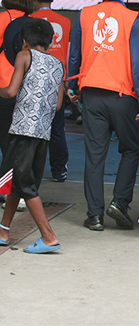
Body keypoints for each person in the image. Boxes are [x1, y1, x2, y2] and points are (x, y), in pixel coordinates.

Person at [67, 0, 139, 231]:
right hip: (123, 96)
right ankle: (120, 202)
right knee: (131, 149)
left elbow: (74, 55)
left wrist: (72, 86)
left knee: (95, 155)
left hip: (91, 94)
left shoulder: (84, 15)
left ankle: (95, 215)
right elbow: (137, 64)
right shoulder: (132, 18)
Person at [0, 18, 64, 253]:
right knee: (17, 181)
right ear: (50, 42)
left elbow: (11, 91)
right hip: (42, 134)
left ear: (24, 41)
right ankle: (3, 230)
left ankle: (48, 236)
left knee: (22, 184)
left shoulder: (24, 56)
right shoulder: (58, 64)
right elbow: (58, 105)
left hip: (22, 130)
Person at [30, 0, 71, 183]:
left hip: (33, 77)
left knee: (31, 125)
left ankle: (29, 170)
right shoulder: (65, 21)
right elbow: (68, 52)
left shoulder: (29, 20)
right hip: (57, 79)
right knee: (57, 128)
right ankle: (59, 170)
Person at [0, 0, 35, 212]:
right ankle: (13, 191)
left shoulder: (1, 19)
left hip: (3, 87)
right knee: (17, 143)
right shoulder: (34, 24)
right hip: (25, 89)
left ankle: (9, 191)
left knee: (5, 141)